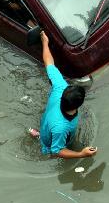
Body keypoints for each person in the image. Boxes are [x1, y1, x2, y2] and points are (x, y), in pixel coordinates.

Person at [33, 31, 98, 159]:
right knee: (51, 149)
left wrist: (45, 42)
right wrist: (81, 154)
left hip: (47, 123)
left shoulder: (60, 87)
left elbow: (49, 63)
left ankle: (38, 134)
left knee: (49, 131)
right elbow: (56, 151)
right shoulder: (62, 128)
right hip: (51, 142)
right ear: (79, 105)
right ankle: (40, 138)